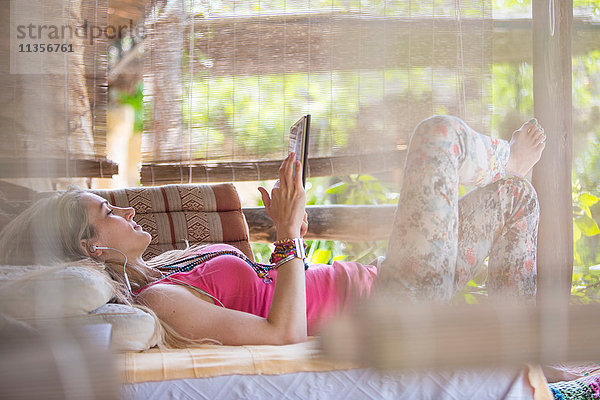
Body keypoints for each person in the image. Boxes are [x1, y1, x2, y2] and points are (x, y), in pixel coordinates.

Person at [0, 115, 546, 347]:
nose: (128, 213)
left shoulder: (164, 268)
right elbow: (284, 334)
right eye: (109, 213)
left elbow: (273, 287)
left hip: (382, 279)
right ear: (89, 245)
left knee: (517, 201)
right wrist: (287, 237)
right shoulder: (161, 301)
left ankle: (525, 354)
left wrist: (293, 230)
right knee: (438, 135)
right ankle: (507, 161)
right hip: (392, 307)